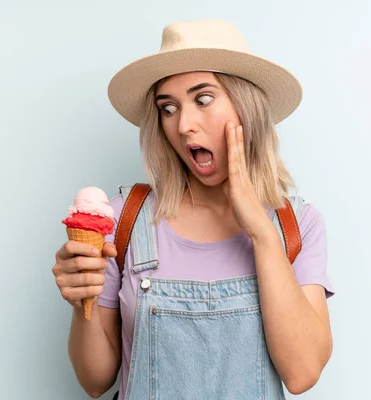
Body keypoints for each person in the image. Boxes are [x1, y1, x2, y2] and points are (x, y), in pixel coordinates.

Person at [52, 20, 335, 399]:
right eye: (168, 108)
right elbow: (95, 380)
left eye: (203, 99)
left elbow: (302, 374)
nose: (183, 125)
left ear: (246, 106)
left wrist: (262, 234)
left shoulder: (296, 225)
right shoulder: (124, 219)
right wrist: (80, 301)